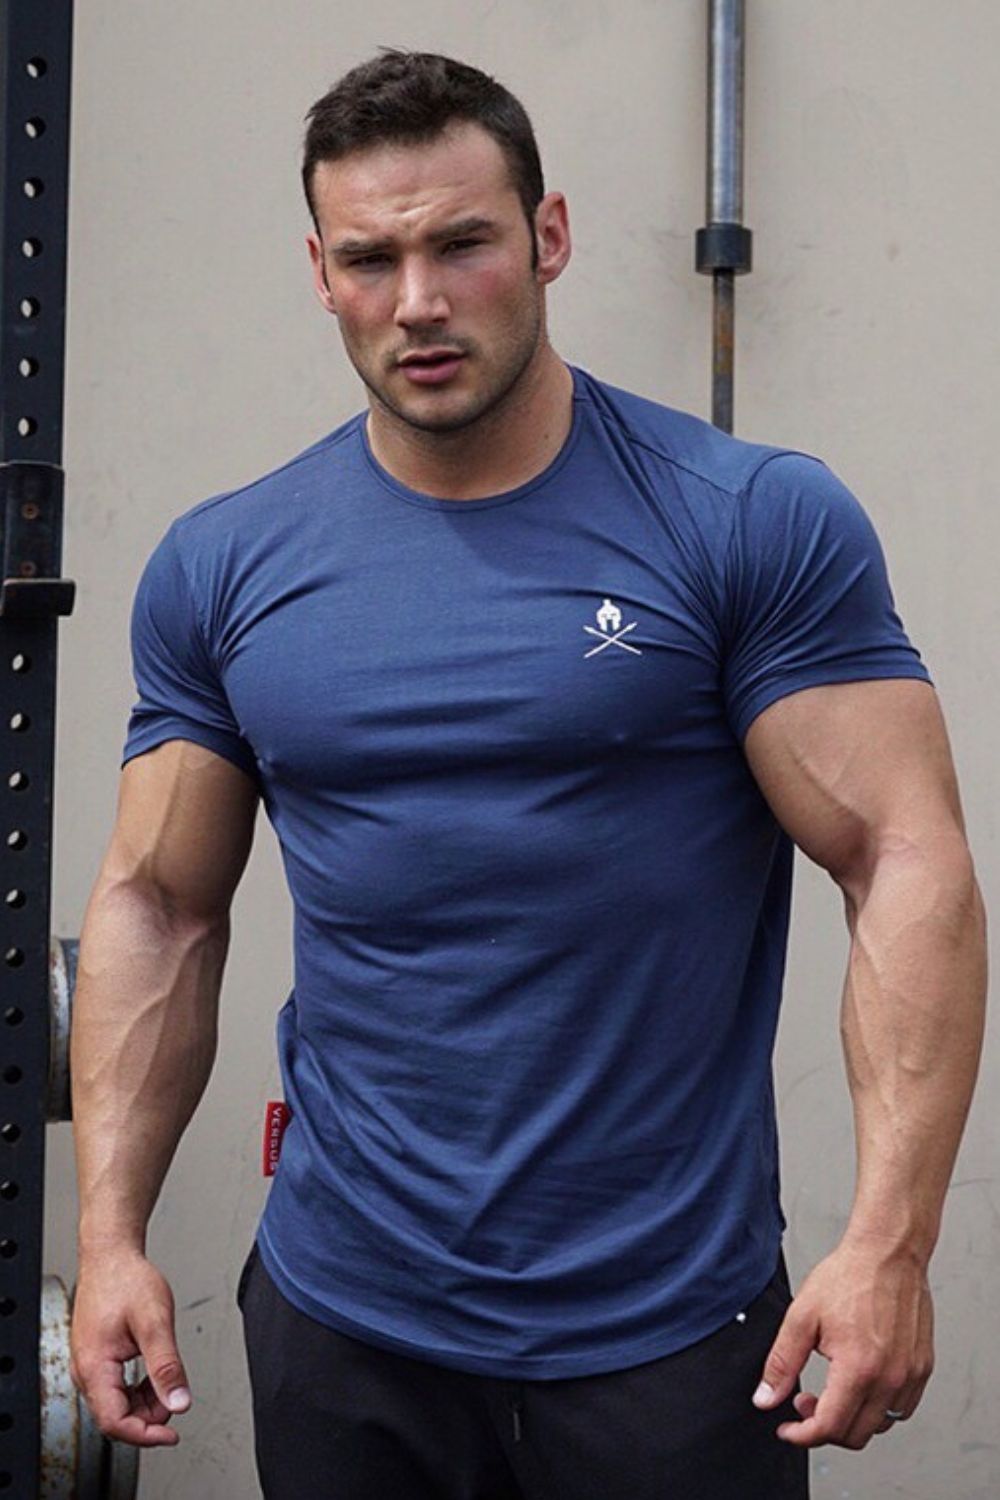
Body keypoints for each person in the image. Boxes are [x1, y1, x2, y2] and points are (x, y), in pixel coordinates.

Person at [68, 49, 986, 1500]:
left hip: (668, 1332)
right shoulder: (226, 566)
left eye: (462, 244)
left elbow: (905, 864)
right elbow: (158, 908)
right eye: (370, 260)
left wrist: (891, 1244)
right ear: (320, 274)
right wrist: (111, 1235)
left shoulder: (744, 521)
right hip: (346, 1321)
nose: (418, 302)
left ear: (549, 236)